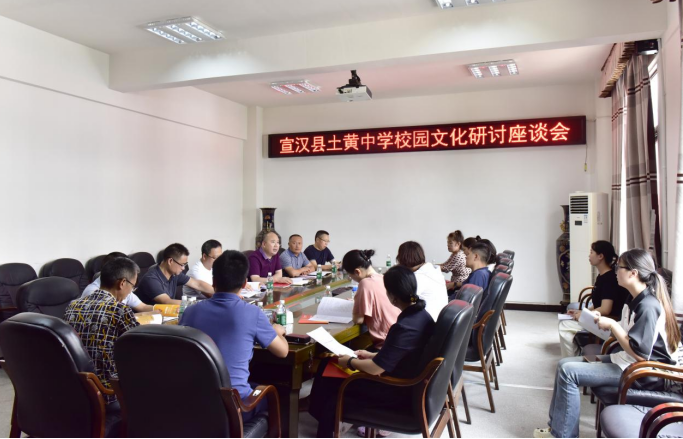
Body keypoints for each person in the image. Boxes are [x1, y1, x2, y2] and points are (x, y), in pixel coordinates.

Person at [534, 249, 681, 438]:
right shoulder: (635, 298)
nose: (615, 271)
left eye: (619, 267)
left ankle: (563, 435)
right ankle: (556, 428)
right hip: (627, 362)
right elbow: (626, 332)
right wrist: (598, 319)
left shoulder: (648, 306)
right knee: (563, 364)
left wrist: (612, 325)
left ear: (633, 273)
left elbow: (640, 354)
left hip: (643, 373)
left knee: (569, 373)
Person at [308, 265, 436, 437]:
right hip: (406, 378)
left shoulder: (405, 327)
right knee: (328, 365)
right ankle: (328, 419)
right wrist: (371, 355)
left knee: (331, 377)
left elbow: (376, 369)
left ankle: (328, 422)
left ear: (392, 296)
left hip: (394, 389)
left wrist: (350, 362)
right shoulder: (421, 315)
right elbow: (403, 354)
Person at [180, 250, 289, 421]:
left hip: (195, 401)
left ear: (213, 281)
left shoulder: (190, 312)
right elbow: (283, 352)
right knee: (279, 393)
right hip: (235, 406)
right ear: (245, 283)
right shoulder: (252, 313)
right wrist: (275, 331)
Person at [64, 257, 141, 405]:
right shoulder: (119, 310)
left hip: (76, 387)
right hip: (108, 390)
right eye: (133, 286)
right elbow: (140, 346)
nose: (131, 291)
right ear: (122, 283)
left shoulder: (72, 306)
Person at [558, 241, 629, 357]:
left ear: (600, 256)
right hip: (599, 317)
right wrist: (580, 312)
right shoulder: (602, 276)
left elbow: (605, 309)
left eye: (591, 252)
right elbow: (597, 305)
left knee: (565, 326)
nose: (589, 255)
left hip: (605, 321)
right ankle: (574, 357)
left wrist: (583, 315)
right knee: (565, 322)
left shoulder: (610, 279)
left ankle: (571, 360)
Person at [343, 249, 400, 348]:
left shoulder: (365, 283)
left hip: (385, 346)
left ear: (357, 272)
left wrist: (357, 305)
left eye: (350, 276)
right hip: (398, 339)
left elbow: (358, 320)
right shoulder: (384, 277)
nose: (352, 279)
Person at [135, 243, 214, 305]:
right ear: (170, 261)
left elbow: (197, 284)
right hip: (145, 317)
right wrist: (197, 304)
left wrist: (219, 292)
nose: (183, 268)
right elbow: (166, 301)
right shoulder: (151, 279)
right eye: (182, 265)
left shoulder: (174, 274)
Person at [82, 251, 153, 312]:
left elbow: (143, 307)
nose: (131, 290)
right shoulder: (92, 293)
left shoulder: (123, 287)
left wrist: (160, 308)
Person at [396, 241, 448, 321]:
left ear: (402, 259)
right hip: (440, 317)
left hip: (428, 322)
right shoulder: (433, 269)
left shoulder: (418, 277)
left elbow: (409, 299)